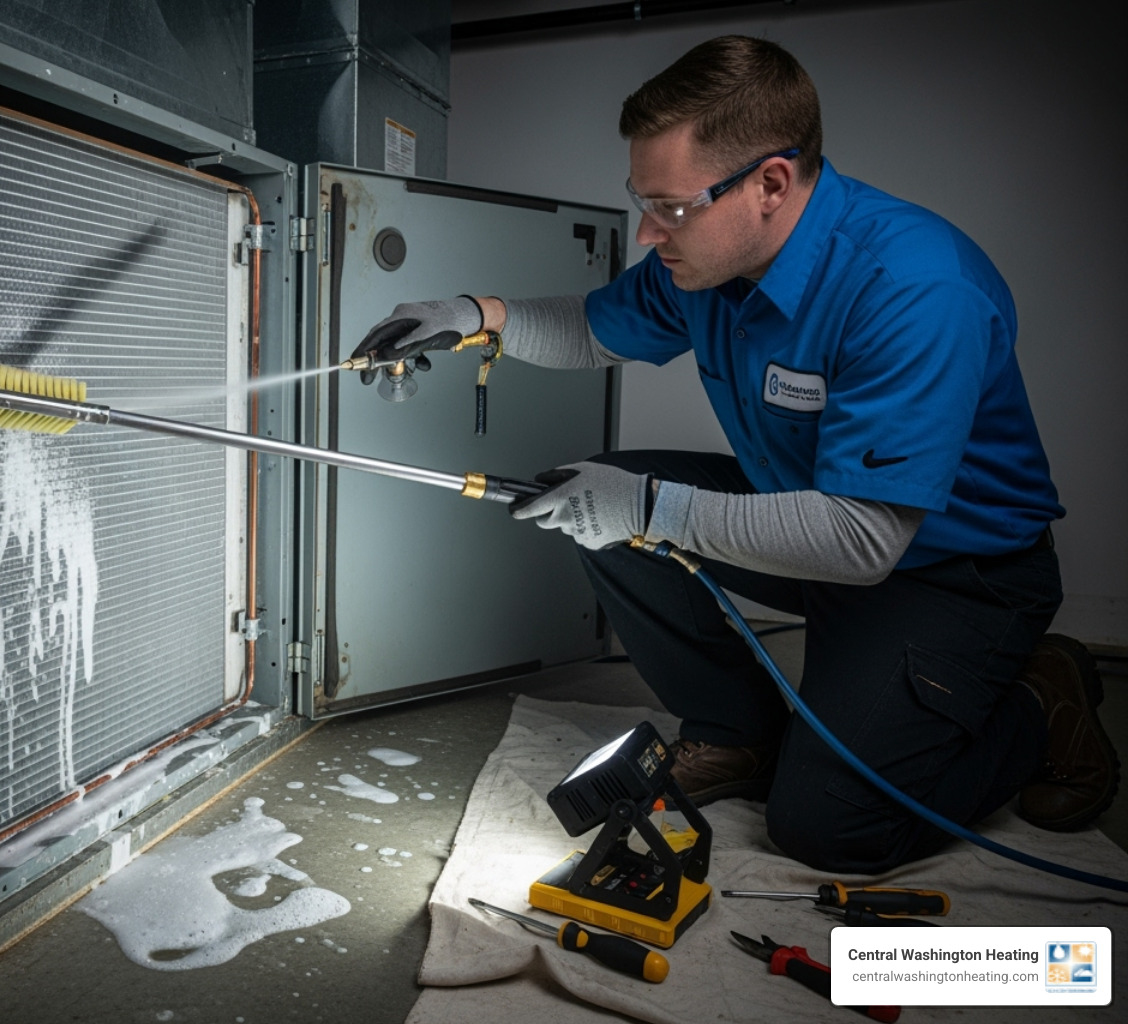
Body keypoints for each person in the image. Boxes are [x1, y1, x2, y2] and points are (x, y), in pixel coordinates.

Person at [350, 35, 1118, 873]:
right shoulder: (710, 258)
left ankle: (1043, 700)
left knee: (831, 827)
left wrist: (646, 507)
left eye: (670, 207)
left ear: (771, 184)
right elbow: (594, 326)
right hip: (809, 518)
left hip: (947, 571)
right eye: (641, 200)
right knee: (590, 501)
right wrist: (476, 313)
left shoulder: (915, 288)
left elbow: (863, 542)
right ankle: (736, 733)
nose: (647, 232)